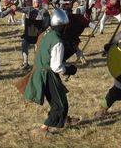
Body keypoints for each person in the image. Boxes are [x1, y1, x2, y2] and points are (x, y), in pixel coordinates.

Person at [20, 9, 79, 137]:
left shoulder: (47, 34)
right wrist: (69, 69)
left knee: (57, 100)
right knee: (60, 105)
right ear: (63, 26)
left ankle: (64, 119)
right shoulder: (58, 42)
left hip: (41, 71)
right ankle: (43, 129)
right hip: (47, 74)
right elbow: (56, 66)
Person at [17, 0, 50, 70]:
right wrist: (15, 8)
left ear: (40, 3)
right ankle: (25, 63)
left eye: (36, 2)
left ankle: (38, 64)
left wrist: (42, 30)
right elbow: (21, 9)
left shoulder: (44, 11)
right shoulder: (29, 9)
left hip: (39, 33)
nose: (35, 3)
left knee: (37, 48)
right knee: (24, 44)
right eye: (34, 2)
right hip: (29, 32)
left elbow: (47, 23)